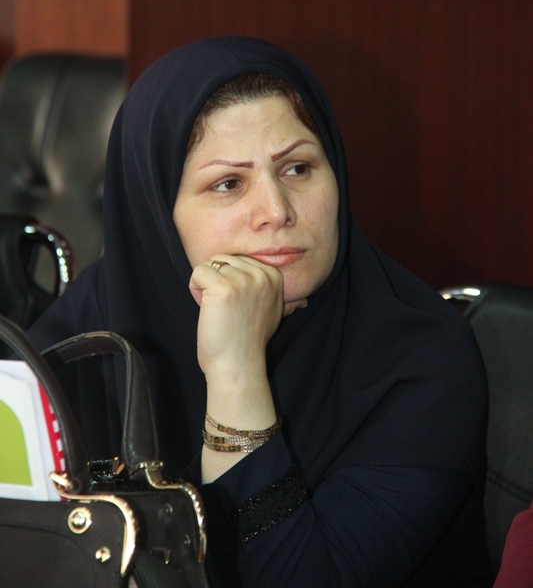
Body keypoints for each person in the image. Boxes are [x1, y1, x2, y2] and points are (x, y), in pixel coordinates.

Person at [29, 36, 493, 586]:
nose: (276, 210)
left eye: (297, 168)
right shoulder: (90, 326)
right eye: (228, 183)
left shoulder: (425, 361)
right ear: (156, 216)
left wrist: (236, 372)